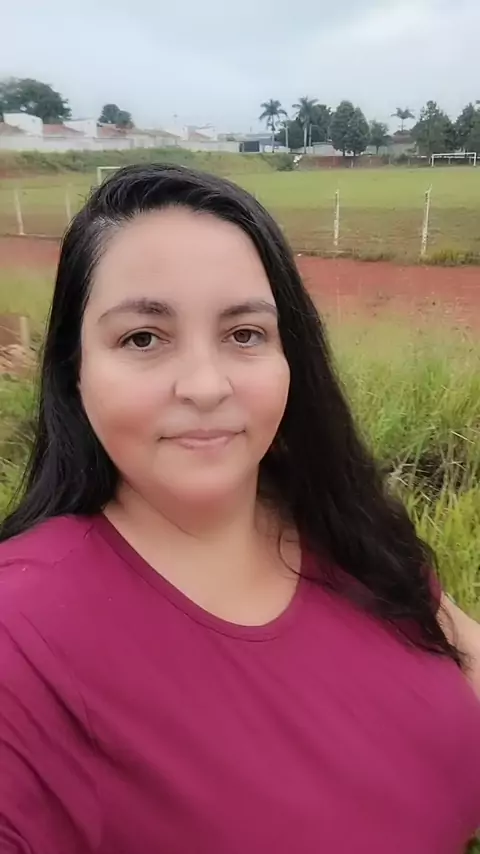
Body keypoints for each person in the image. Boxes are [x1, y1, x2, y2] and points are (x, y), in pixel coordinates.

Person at [0, 163, 479, 854]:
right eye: (143, 338)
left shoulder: (347, 529)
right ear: (76, 372)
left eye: (245, 334)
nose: (205, 385)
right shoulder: (21, 635)